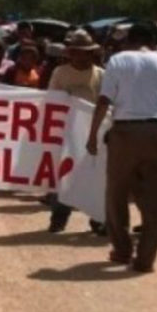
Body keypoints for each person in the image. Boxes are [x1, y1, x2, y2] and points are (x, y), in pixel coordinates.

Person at [87, 22, 157, 273]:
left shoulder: (118, 60)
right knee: (156, 200)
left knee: (116, 194)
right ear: (154, 41)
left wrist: (92, 135)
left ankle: (121, 250)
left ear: (129, 39)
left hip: (124, 132)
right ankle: (145, 260)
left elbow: (103, 100)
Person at [46, 30, 106, 235]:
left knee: (95, 176)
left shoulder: (100, 74)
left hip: (93, 133)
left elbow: (105, 104)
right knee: (64, 175)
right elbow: (52, 100)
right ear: (70, 53)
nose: (80, 56)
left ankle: (97, 218)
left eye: (84, 52)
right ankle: (59, 218)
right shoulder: (60, 73)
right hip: (67, 131)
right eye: (76, 52)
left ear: (91, 54)